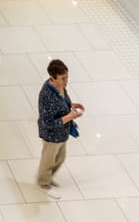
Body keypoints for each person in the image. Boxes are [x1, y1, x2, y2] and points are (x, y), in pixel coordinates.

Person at [36, 59, 84, 198]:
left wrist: (72, 105)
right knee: (48, 160)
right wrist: (70, 116)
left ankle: (48, 177)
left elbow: (63, 102)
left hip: (62, 132)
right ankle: (43, 183)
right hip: (51, 135)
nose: (66, 81)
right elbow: (47, 123)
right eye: (63, 78)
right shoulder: (46, 96)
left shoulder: (60, 88)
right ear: (53, 77)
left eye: (67, 77)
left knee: (60, 158)